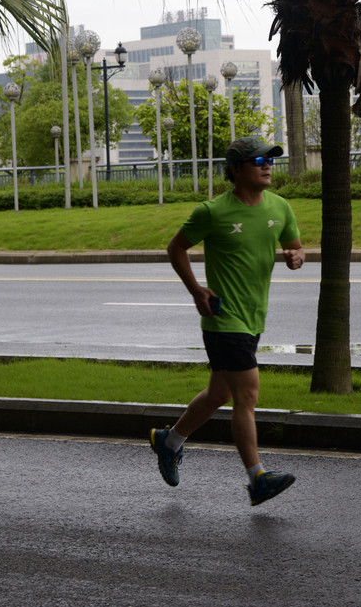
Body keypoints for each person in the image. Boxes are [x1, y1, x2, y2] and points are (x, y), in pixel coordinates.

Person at [151, 136, 305, 506]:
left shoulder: (281, 207)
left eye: (271, 160)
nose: (268, 165)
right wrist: (197, 290)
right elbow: (176, 248)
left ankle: (168, 441)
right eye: (259, 160)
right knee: (247, 395)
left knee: (219, 394)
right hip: (223, 318)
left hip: (253, 317)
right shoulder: (212, 211)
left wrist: (296, 257)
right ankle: (258, 479)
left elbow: (297, 247)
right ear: (236, 169)